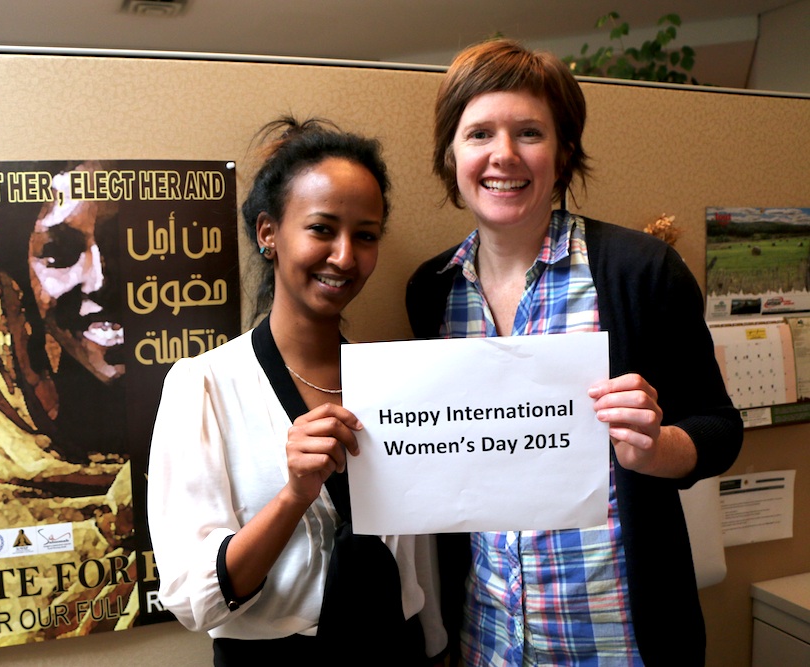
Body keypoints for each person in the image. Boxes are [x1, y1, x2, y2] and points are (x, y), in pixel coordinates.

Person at [406, 39, 743, 666]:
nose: (503, 155)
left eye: (529, 132)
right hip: (490, 640)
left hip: (618, 642)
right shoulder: (432, 292)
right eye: (478, 133)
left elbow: (720, 429)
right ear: (450, 154)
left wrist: (657, 447)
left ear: (562, 155)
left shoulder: (639, 273)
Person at [148, 117, 447, 666]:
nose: (344, 256)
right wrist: (293, 495)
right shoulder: (206, 387)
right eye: (322, 228)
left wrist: (434, 643)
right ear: (269, 234)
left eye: (366, 235)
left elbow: (416, 567)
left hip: (396, 650)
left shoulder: (396, 382)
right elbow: (196, 602)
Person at [0, 162, 137, 657]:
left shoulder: (206, 442)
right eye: (59, 254)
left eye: (126, 242)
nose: (101, 278)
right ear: (13, 292)